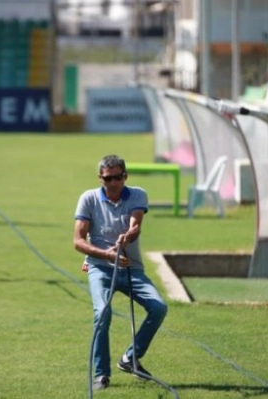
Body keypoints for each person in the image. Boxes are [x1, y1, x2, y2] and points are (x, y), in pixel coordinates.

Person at [73, 154, 168, 391]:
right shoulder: (88, 198)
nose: (113, 183)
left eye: (117, 177)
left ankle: (130, 358)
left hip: (131, 267)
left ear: (125, 176)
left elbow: (136, 226)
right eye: (108, 178)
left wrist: (127, 236)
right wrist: (106, 254)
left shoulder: (137, 194)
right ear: (100, 178)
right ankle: (101, 374)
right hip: (100, 268)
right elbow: (77, 240)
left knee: (158, 307)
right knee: (102, 314)